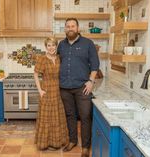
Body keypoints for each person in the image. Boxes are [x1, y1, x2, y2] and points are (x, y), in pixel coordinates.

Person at [57, 18, 99, 157]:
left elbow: (95, 65)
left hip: (83, 88)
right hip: (65, 87)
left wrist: (91, 81)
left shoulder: (88, 44)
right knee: (70, 116)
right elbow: (57, 63)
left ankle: (86, 147)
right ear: (65, 29)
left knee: (85, 116)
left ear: (78, 28)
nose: (70, 28)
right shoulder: (61, 45)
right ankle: (72, 141)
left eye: (73, 26)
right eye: (68, 26)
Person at [34, 37, 69, 151]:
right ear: (46, 47)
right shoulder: (42, 59)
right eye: (49, 45)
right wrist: (40, 90)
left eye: (53, 45)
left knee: (57, 118)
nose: (51, 48)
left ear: (56, 46)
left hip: (58, 92)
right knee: (46, 118)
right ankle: (45, 143)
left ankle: (57, 142)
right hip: (46, 92)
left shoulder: (59, 58)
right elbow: (35, 74)